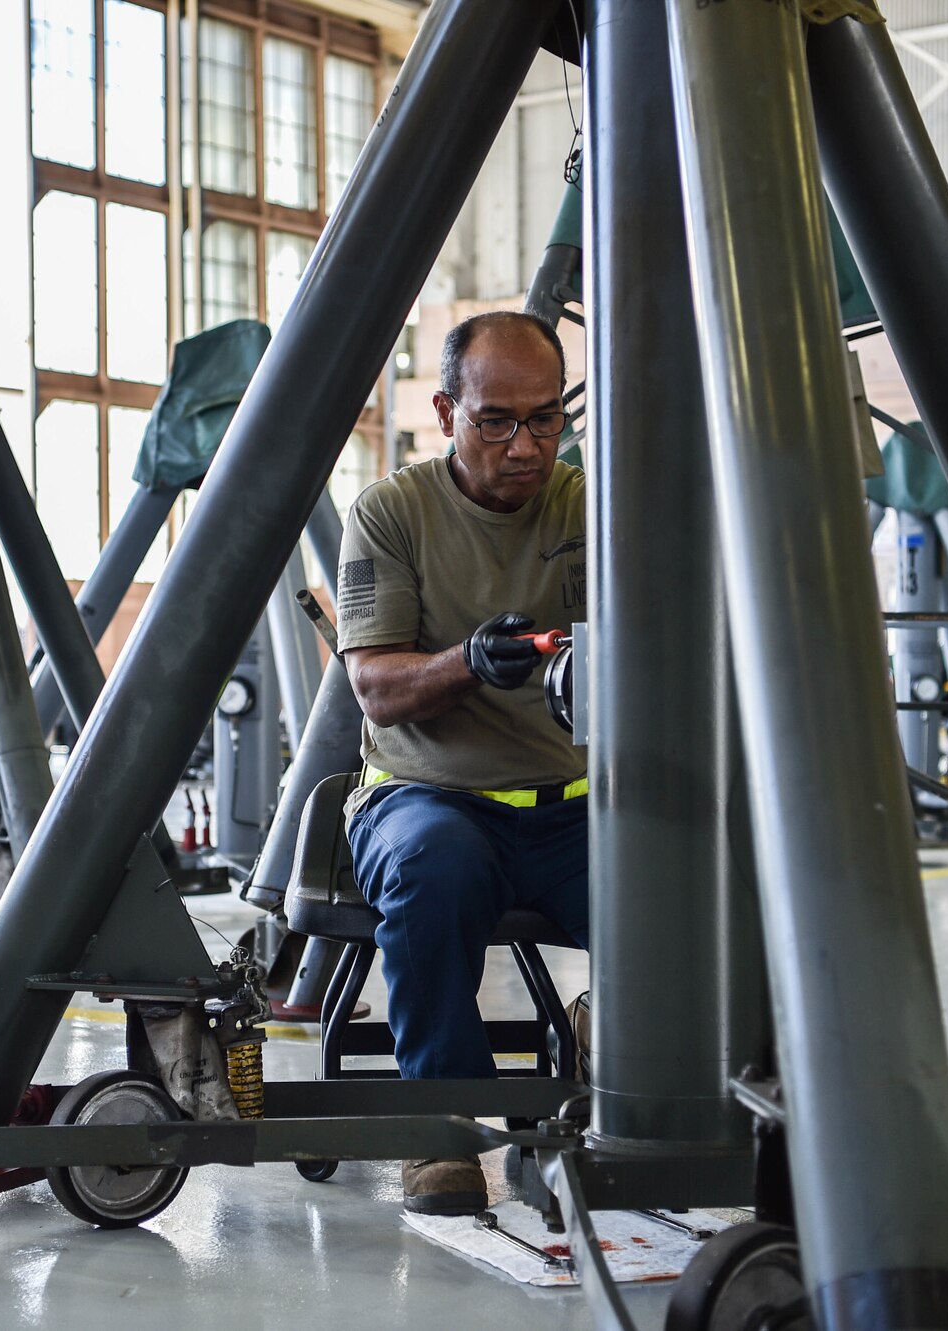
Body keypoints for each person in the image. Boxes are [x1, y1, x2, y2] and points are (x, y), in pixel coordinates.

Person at [336, 310, 588, 1216]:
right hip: (425, 796)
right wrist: (468, 662)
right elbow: (375, 686)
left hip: (569, 807)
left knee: (691, 879)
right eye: (495, 421)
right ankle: (441, 1126)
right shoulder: (392, 513)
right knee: (433, 870)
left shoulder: (588, 504)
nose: (524, 446)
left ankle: (626, 1046)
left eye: (545, 419)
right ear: (446, 411)